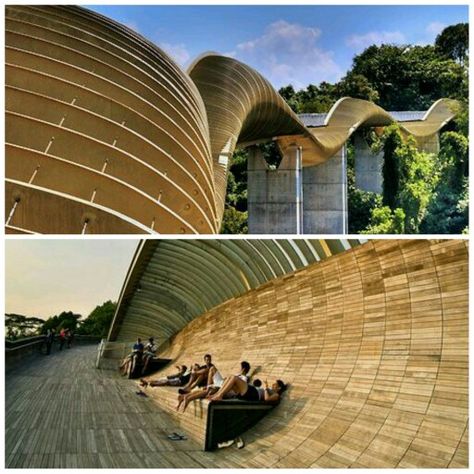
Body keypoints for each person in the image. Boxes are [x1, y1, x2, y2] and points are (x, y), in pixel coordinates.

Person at [177, 361, 251, 412]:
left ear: (243, 369)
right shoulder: (237, 375)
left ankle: (187, 397)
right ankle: (207, 387)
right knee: (212, 368)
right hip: (221, 383)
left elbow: (236, 389)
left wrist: (221, 389)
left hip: (224, 389)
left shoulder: (244, 378)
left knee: (208, 391)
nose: (239, 369)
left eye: (240, 367)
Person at [209, 377, 287, 403]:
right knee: (230, 377)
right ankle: (217, 394)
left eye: (275, 384)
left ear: (279, 388)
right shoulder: (271, 391)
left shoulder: (276, 395)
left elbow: (267, 399)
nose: (273, 385)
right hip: (252, 392)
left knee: (234, 378)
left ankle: (219, 395)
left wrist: (266, 388)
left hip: (254, 394)